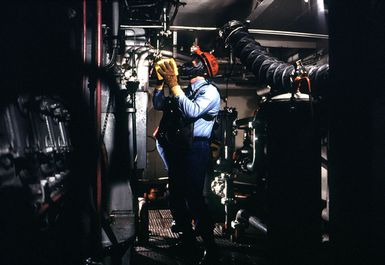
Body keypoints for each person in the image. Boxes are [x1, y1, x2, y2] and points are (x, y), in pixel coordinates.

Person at [152, 46, 221, 265]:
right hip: (181, 147)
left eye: (192, 63)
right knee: (176, 195)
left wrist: (174, 85)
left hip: (196, 148)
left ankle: (211, 247)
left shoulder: (209, 92)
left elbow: (191, 111)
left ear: (202, 69)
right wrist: (161, 83)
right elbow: (159, 104)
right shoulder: (186, 91)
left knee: (193, 196)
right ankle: (187, 240)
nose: (187, 65)